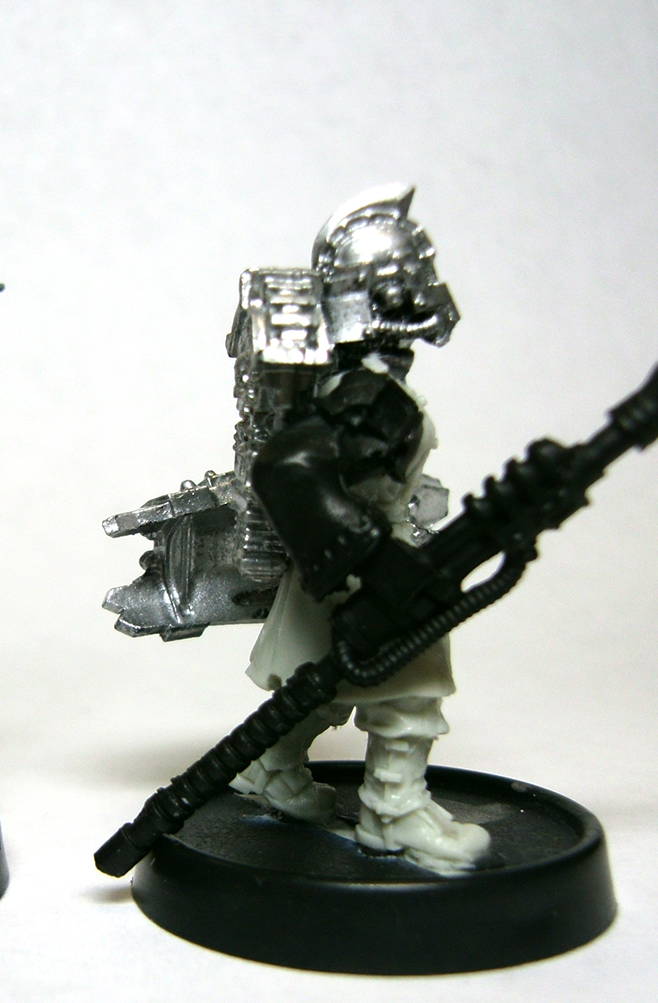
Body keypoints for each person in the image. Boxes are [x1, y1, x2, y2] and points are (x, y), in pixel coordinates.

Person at [229, 184, 489, 873]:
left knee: (317, 681)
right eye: (412, 275)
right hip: (360, 564)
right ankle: (392, 810)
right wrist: (376, 558)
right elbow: (289, 467)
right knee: (408, 690)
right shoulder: (365, 389)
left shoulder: (358, 380)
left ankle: (272, 768)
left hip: (337, 561)